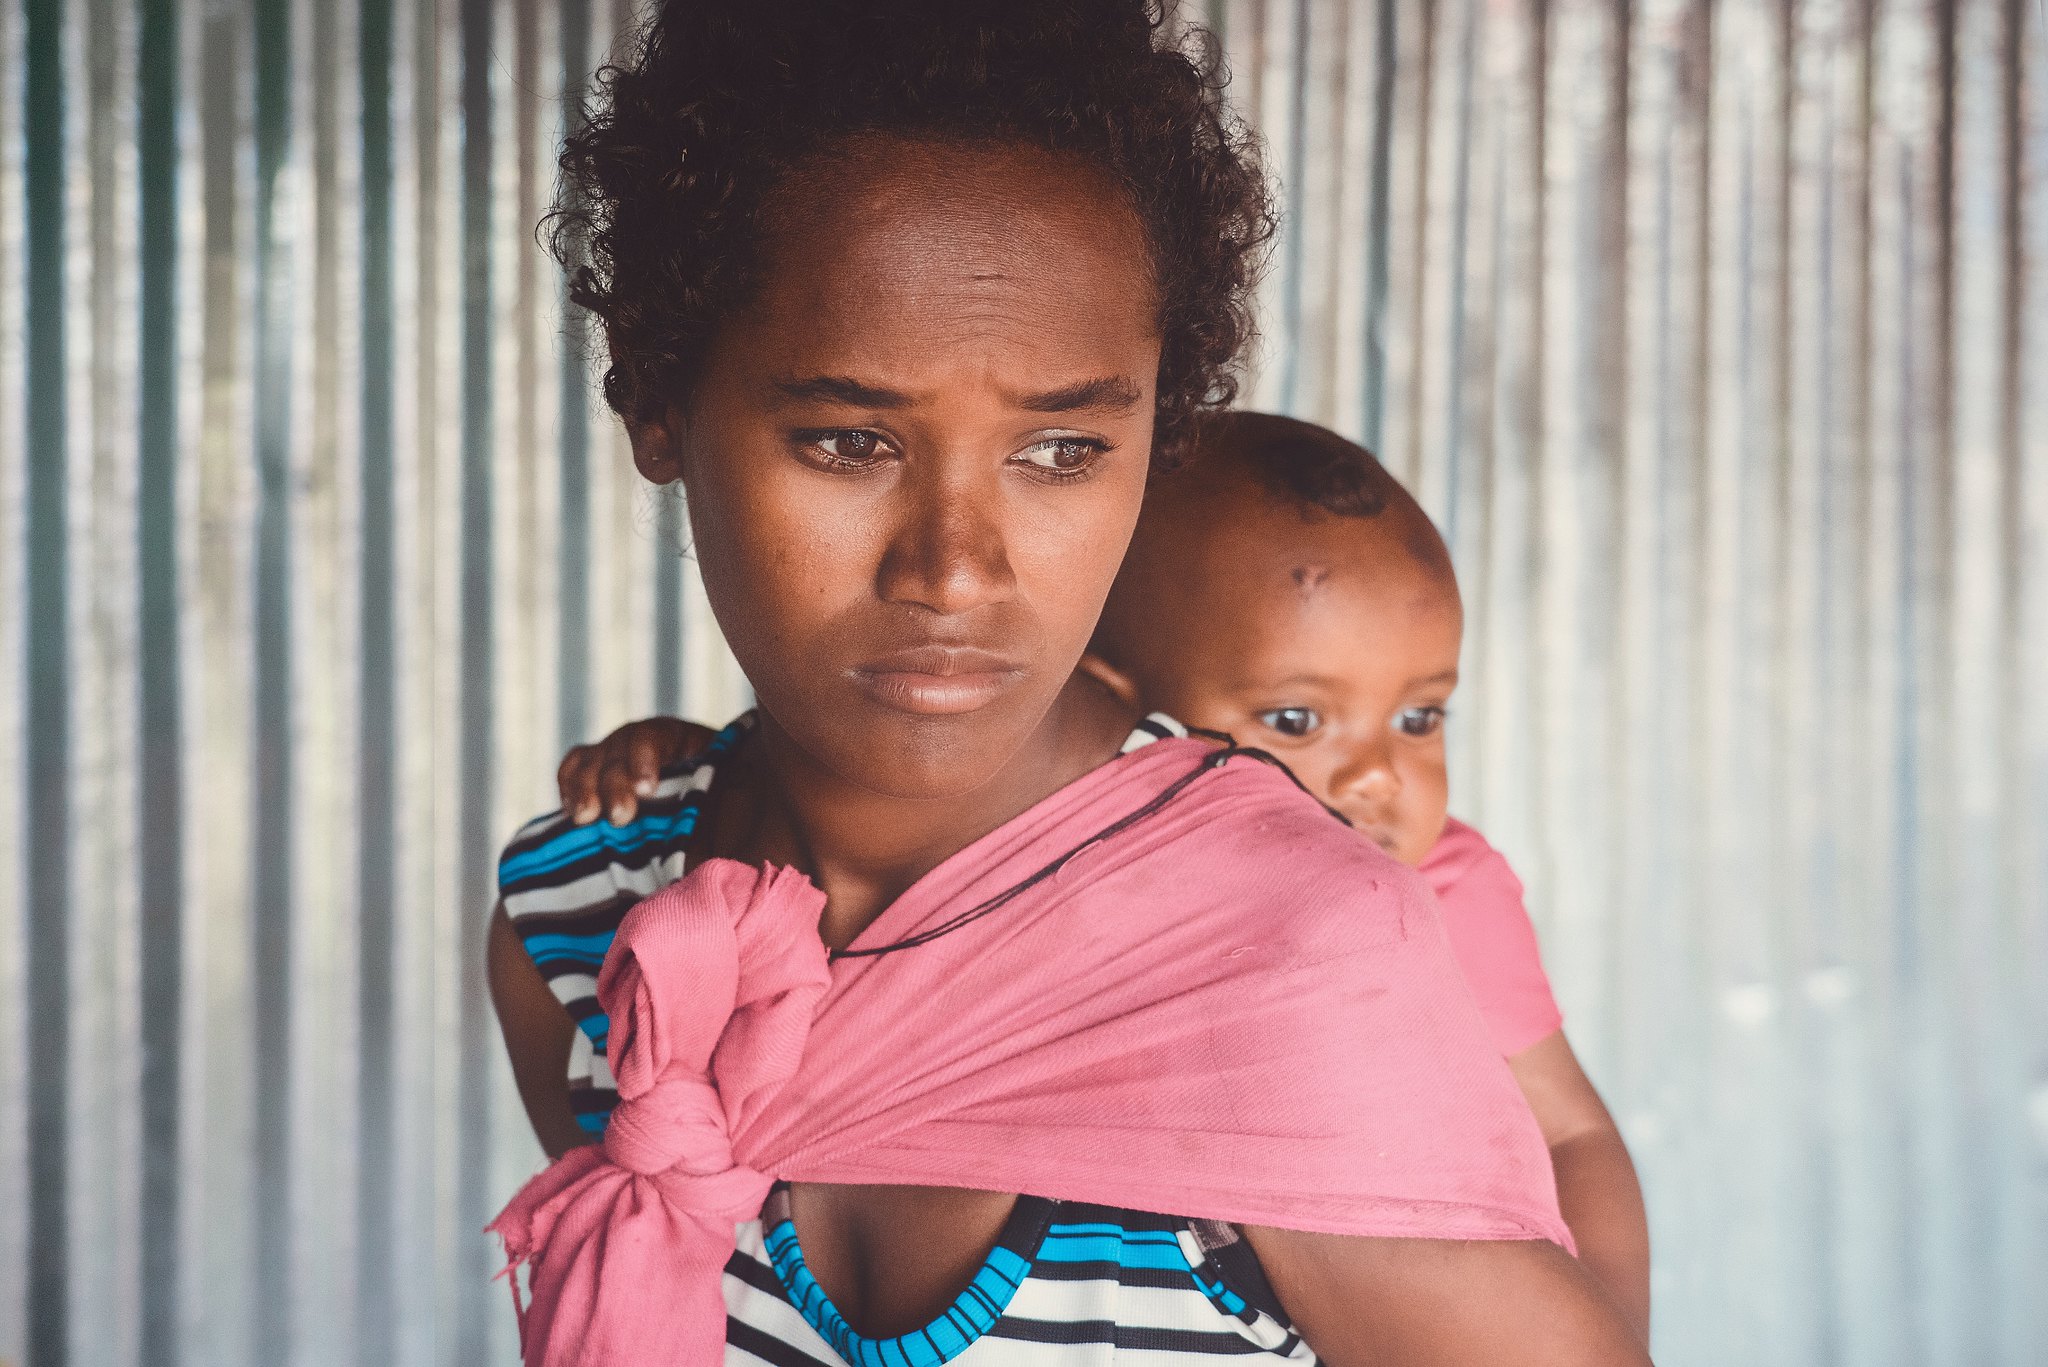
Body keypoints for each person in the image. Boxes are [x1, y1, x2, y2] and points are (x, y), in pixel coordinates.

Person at [486, 3, 1652, 1362]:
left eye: (1060, 452)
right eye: (851, 438)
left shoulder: (1279, 954)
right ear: (659, 400)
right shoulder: (580, 912)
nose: (958, 571)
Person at [558, 415, 1654, 1342]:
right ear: (1128, 715)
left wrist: (1607, 1316)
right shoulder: (678, 866)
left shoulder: (1431, 892)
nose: (1375, 774)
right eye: (1292, 719)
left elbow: (1570, 1133)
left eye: (1419, 715)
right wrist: (685, 749)